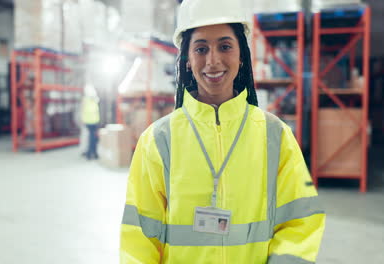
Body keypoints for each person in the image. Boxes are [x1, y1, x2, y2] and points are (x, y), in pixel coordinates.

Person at [120, 0, 325, 263]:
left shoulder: (276, 136)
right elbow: (138, 239)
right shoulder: (158, 141)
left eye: (225, 46)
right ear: (187, 60)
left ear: (242, 56)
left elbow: (301, 224)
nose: (213, 61)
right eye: (201, 48)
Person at [81, 85, 100, 160]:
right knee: (92, 138)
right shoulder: (88, 100)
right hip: (90, 122)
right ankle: (91, 153)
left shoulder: (92, 100)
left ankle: (92, 153)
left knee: (93, 138)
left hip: (93, 122)